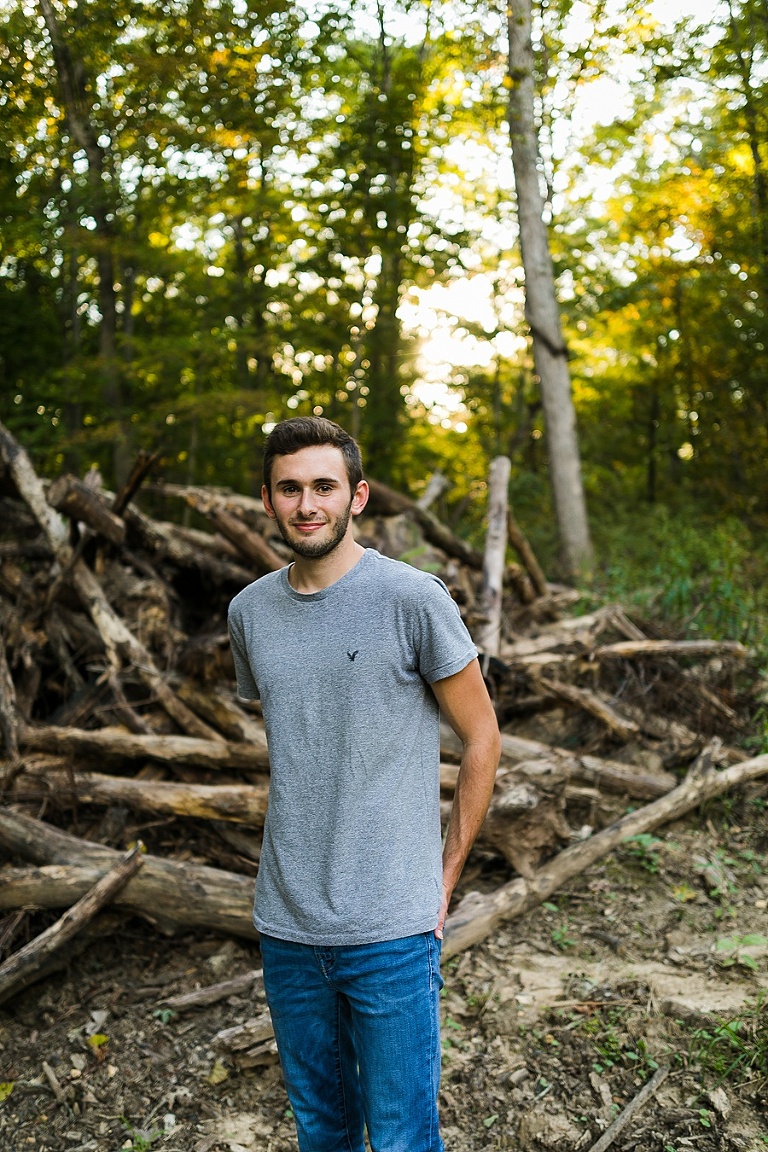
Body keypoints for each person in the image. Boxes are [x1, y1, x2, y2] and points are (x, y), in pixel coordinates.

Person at [228, 416, 501, 1152]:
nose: (307, 503)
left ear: (359, 495)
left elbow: (483, 737)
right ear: (267, 499)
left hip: (391, 926)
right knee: (323, 1132)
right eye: (290, 488)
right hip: (286, 925)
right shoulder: (249, 613)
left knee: (405, 1138)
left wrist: (444, 877)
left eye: (324, 486)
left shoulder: (414, 599)